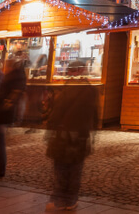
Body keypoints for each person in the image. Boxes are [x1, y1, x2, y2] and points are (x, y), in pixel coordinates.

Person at [45, 61, 99, 210]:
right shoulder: (89, 89)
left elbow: (57, 112)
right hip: (79, 135)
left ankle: (59, 199)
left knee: (62, 168)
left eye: (72, 71)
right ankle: (70, 200)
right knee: (74, 169)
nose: (70, 74)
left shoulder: (68, 89)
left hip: (64, 134)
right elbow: (94, 114)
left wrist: (52, 126)